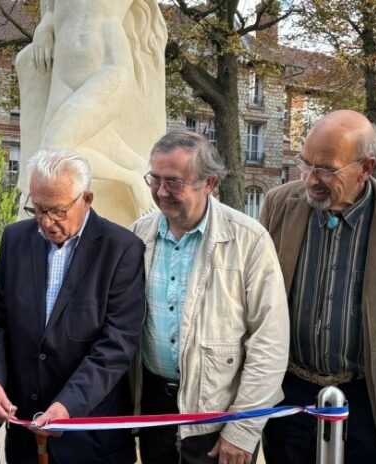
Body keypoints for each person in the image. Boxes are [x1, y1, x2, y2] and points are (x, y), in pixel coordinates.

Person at [259, 110, 376, 463]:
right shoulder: (279, 204)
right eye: (305, 163)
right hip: (287, 392)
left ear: (366, 168)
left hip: (366, 399)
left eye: (326, 169)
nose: (310, 179)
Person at [129, 130, 289, 464]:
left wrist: (242, 429)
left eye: (174, 182)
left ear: (210, 183)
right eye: (155, 179)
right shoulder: (138, 235)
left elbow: (269, 342)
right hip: (155, 409)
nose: (161, 191)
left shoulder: (248, 240)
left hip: (219, 416)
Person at [0, 149, 145, 464]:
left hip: (90, 437)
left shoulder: (121, 249)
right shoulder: (15, 239)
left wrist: (69, 404)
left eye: (56, 211)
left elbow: (117, 344)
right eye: (37, 209)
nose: (45, 222)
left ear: (87, 199)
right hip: (25, 437)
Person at [15, 0, 167, 224]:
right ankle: (136, 164)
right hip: (62, 70)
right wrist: (44, 27)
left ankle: (131, 179)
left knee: (53, 151)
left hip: (107, 64)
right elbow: (51, 9)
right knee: (82, 137)